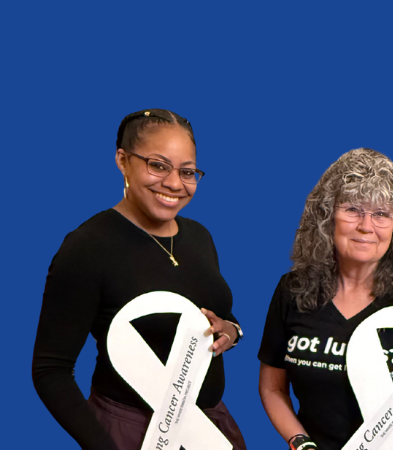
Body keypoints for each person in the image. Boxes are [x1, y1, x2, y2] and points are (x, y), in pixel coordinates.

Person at [32, 109, 247, 450]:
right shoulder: (88, 247)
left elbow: (220, 314)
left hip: (209, 428)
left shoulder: (198, 236)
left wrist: (231, 332)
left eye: (187, 172)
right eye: (158, 165)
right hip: (130, 432)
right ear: (122, 160)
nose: (175, 183)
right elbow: (50, 371)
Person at [258, 148, 393, 450]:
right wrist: (300, 442)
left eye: (381, 214)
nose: (367, 226)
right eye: (353, 209)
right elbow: (273, 387)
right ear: (327, 216)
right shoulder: (293, 291)